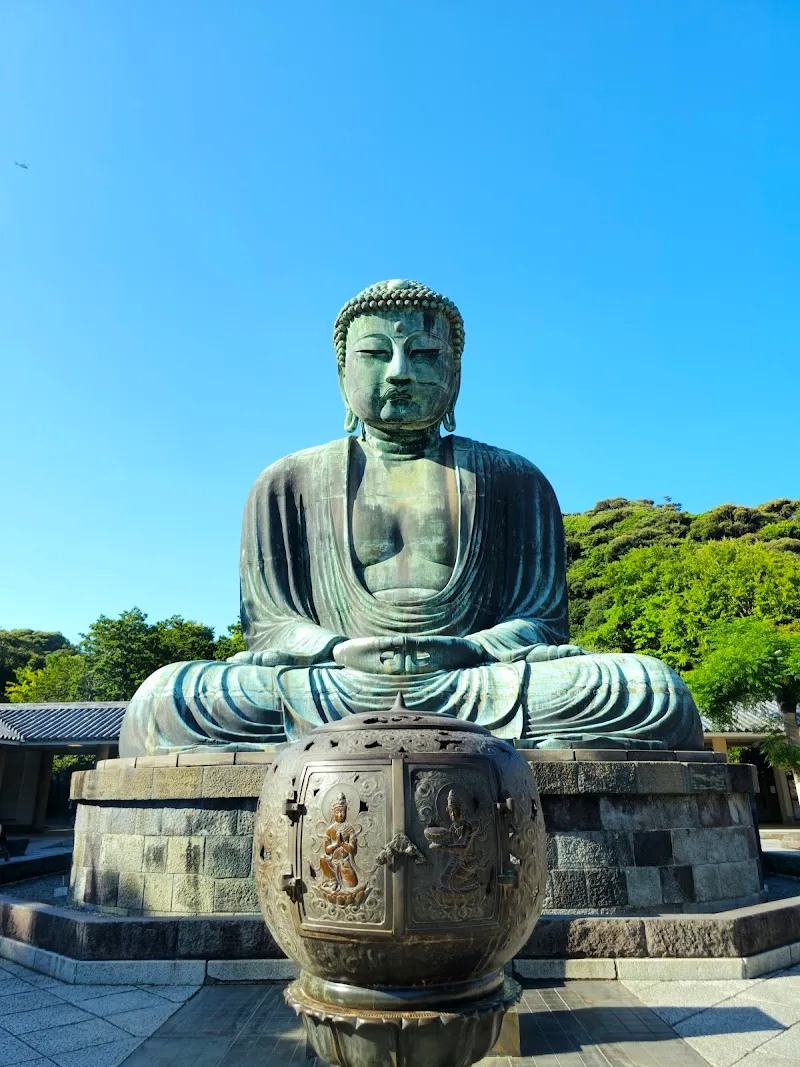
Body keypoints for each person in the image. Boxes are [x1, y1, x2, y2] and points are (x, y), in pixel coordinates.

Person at [119, 279, 702, 756]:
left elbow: (540, 622)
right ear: (343, 373)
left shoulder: (510, 478)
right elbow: (270, 625)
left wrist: (471, 649)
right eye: (375, 353)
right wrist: (334, 650)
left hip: (475, 682)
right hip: (333, 684)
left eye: (423, 354)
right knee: (166, 698)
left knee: (650, 691)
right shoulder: (286, 483)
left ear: (455, 373)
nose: (399, 370)